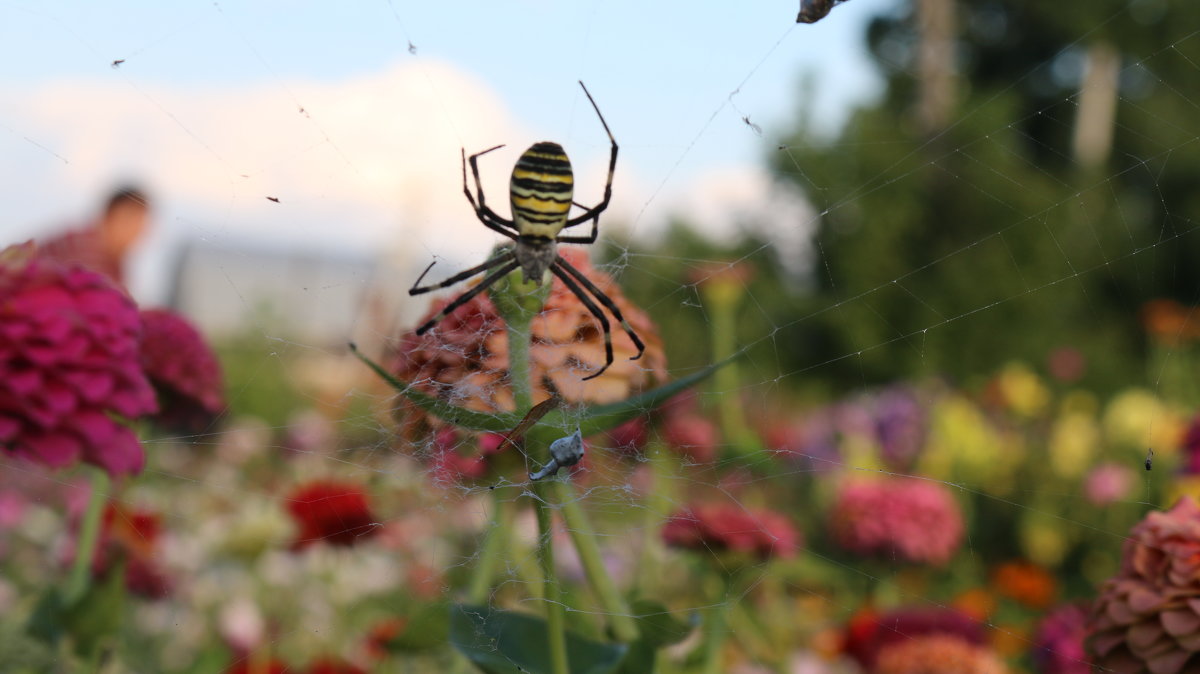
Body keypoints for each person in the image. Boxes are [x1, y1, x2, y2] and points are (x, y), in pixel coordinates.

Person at [39, 186, 151, 286]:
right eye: (128, 221)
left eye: (139, 225)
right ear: (108, 217)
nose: (132, 233)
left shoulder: (114, 262)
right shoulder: (86, 247)